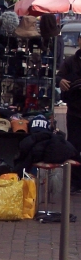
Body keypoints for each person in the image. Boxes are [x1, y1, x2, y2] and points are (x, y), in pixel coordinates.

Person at [57, 31, 81, 191]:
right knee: (74, 146)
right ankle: (75, 182)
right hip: (75, 112)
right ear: (79, 41)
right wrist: (61, 81)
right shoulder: (71, 61)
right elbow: (59, 77)